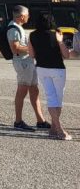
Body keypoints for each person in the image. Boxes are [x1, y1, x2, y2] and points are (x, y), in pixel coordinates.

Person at [28, 11, 71, 140]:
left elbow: (31, 54)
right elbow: (66, 55)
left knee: (51, 97)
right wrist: (60, 41)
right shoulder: (56, 34)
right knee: (57, 99)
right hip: (57, 69)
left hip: (41, 68)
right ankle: (59, 129)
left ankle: (53, 128)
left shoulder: (32, 35)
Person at [6, 5, 50, 131]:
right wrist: (34, 48)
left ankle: (40, 120)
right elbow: (15, 49)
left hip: (28, 62)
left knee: (34, 90)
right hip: (23, 63)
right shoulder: (14, 29)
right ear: (22, 16)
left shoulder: (18, 28)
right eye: (28, 15)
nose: (29, 17)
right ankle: (18, 121)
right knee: (22, 91)